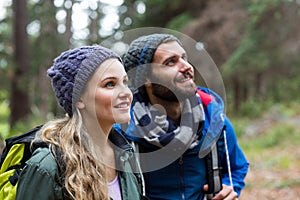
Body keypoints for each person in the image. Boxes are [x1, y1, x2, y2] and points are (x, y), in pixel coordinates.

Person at [119, 33, 249, 200]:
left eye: (184, 57)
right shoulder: (124, 131)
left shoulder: (213, 117)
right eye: (171, 62)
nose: (187, 67)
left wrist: (230, 187)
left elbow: (237, 167)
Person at [16, 45, 144, 200]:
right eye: (110, 84)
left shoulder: (125, 155)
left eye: (124, 82)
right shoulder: (47, 167)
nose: (126, 93)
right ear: (79, 98)